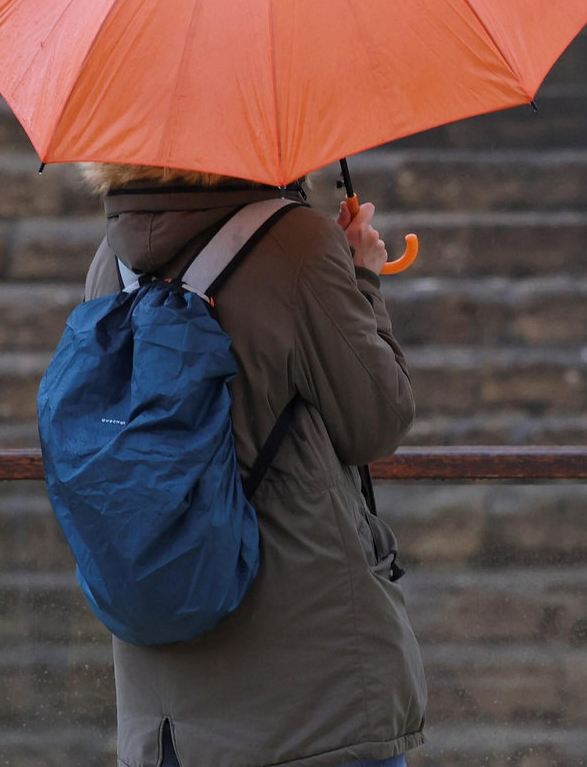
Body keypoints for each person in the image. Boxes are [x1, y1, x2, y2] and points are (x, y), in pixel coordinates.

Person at [77, 164, 426, 767]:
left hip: (167, 712)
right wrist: (361, 277)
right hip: (316, 698)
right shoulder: (296, 244)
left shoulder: (113, 262)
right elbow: (377, 419)